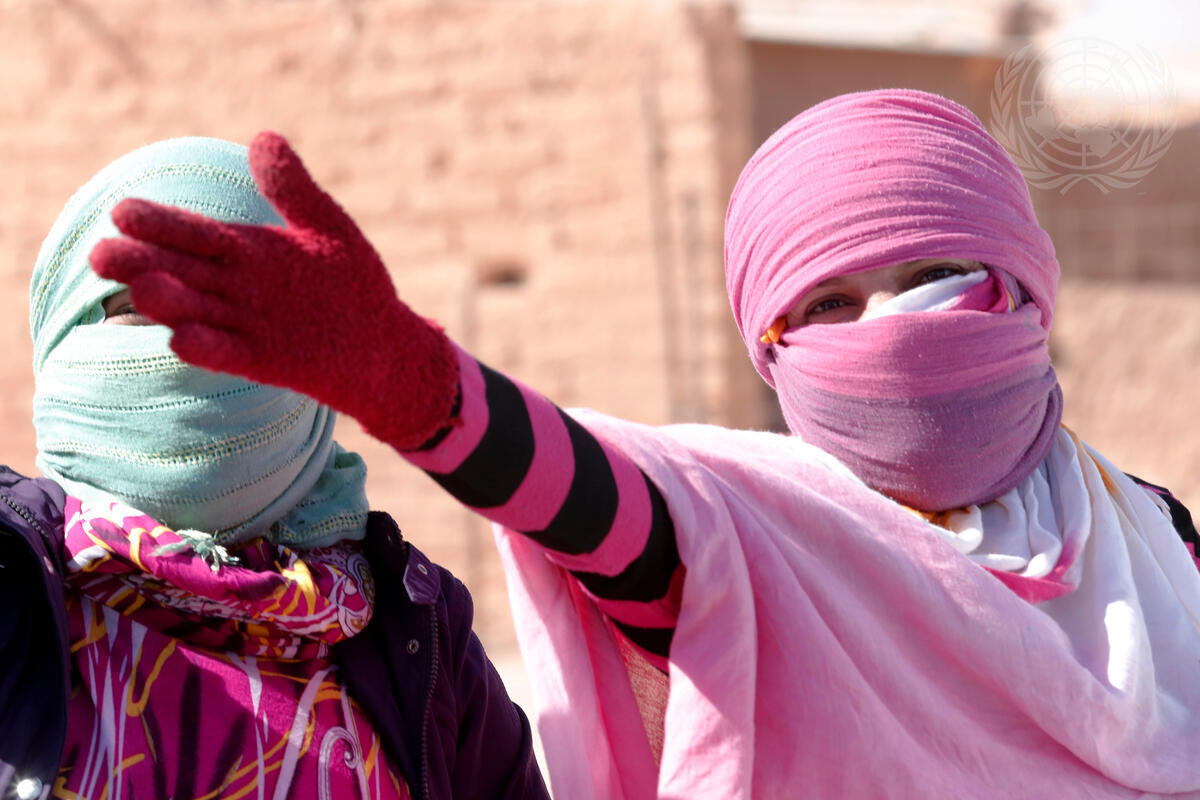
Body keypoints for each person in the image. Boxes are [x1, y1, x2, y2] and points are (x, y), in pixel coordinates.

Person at [87, 89, 1200, 798]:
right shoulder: (749, 540)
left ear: (1027, 291)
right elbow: (587, 492)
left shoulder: (1154, 539)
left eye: (932, 279)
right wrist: (404, 374)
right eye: (828, 305)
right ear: (768, 349)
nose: (889, 330)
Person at [0, 137, 550, 800]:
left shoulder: (420, 630)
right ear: (63, 335)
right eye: (138, 308)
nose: (185, 348)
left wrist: (414, 372)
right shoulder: (19, 582)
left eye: (232, 317)